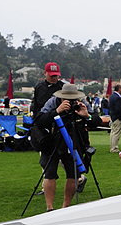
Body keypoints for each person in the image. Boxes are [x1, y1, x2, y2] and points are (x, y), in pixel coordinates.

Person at [34, 83, 108, 211]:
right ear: (61, 97)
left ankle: (65, 207)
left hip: (74, 142)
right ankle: (49, 208)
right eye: (66, 99)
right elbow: (39, 120)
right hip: (52, 142)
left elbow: (97, 120)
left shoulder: (81, 103)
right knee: (49, 174)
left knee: (73, 174)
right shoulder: (53, 102)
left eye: (72, 99)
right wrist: (57, 111)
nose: (70, 102)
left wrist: (86, 115)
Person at [108, 84, 121, 152]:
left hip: (113, 116)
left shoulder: (112, 96)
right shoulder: (117, 98)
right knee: (116, 133)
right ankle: (114, 148)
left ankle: (112, 147)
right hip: (117, 118)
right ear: (119, 89)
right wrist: (120, 117)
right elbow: (118, 109)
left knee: (113, 132)